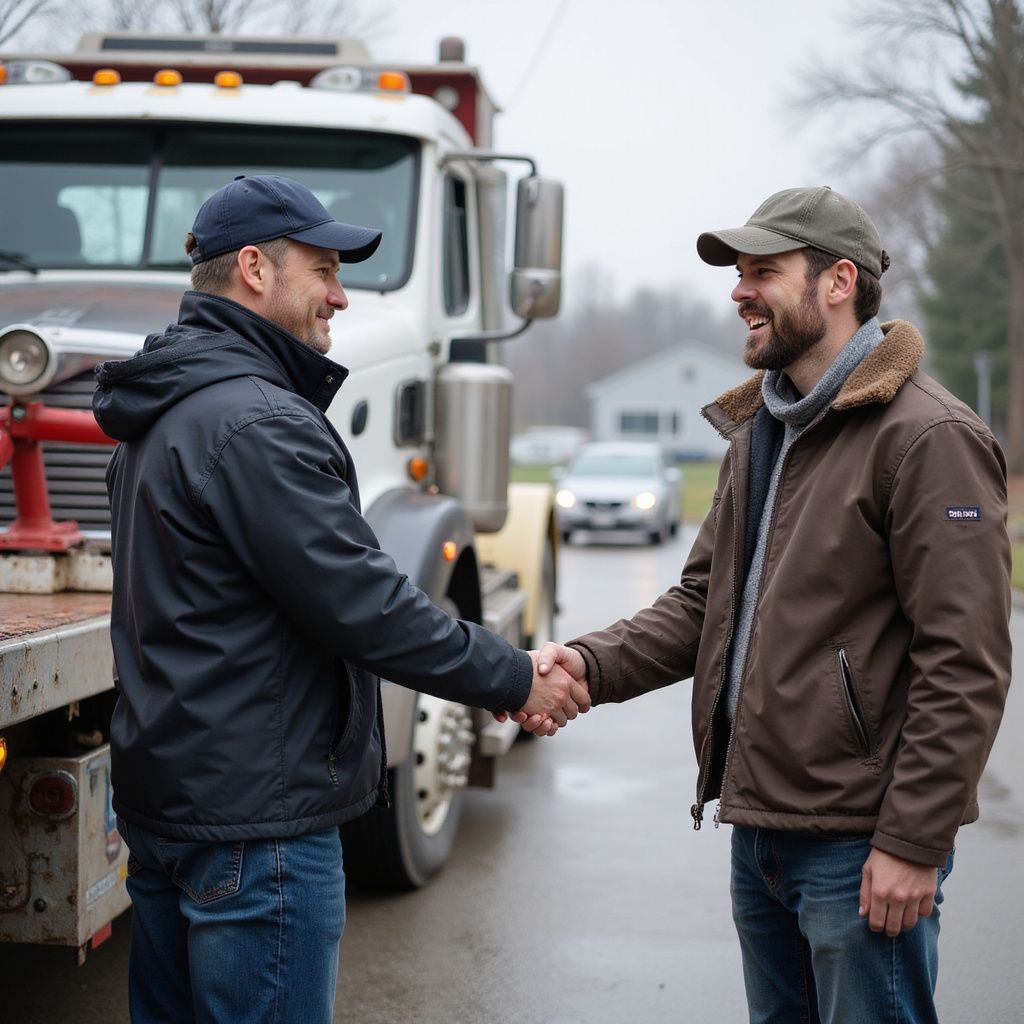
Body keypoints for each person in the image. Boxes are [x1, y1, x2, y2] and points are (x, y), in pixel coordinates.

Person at [92, 174, 587, 1024]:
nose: (340, 295)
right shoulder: (258, 423)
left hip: (174, 807)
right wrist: (515, 677)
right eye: (323, 269)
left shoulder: (165, 407)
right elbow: (367, 604)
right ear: (254, 268)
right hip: (260, 826)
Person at [531, 186, 1011, 1023]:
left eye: (764, 271)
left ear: (838, 282)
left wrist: (912, 840)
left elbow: (965, 660)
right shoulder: (765, 432)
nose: (739, 292)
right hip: (761, 833)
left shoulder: (927, 438)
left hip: (860, 841)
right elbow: (699, 604)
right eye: (739, 273)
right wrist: (588, 664)